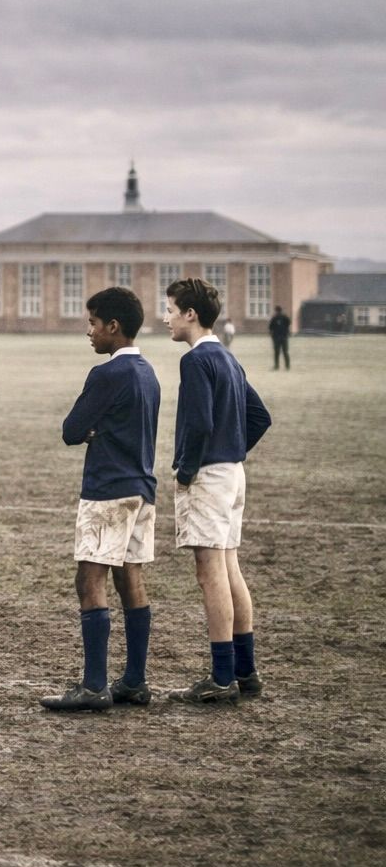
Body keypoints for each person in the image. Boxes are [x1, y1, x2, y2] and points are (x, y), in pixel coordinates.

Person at [41, 287, 160, 711]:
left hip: (107, 490)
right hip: (142, 490)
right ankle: (134, 680)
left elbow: (72, 430)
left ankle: (94, 686)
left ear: (113, 326)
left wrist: (94, 431)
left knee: (89, 580)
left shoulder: (107, 374)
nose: (88, 332)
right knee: (131, 578)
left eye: (92, 323)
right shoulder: (148, 372)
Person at [163, 278, 272, 703]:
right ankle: (246, 673)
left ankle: (222, 677)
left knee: (210, 575)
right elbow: (260, 416)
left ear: (191, 314)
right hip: (233, 474)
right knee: (230, 569)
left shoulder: (194, 362)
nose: (167, 318)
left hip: (209, 477)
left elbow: (200, 423)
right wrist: (232, 451)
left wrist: (187, 472)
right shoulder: (227, 357)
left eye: (171, 310)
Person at [268, 305, 291, 370]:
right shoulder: (285, 317)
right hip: (284, 337)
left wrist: (272, 335)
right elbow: (289, 323)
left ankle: (276, 366)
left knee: (277, 352)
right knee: (285, 352)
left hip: (276, 338)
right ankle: (287, 366)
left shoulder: (274, 318)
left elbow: (270, 327)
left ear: (276, 311)